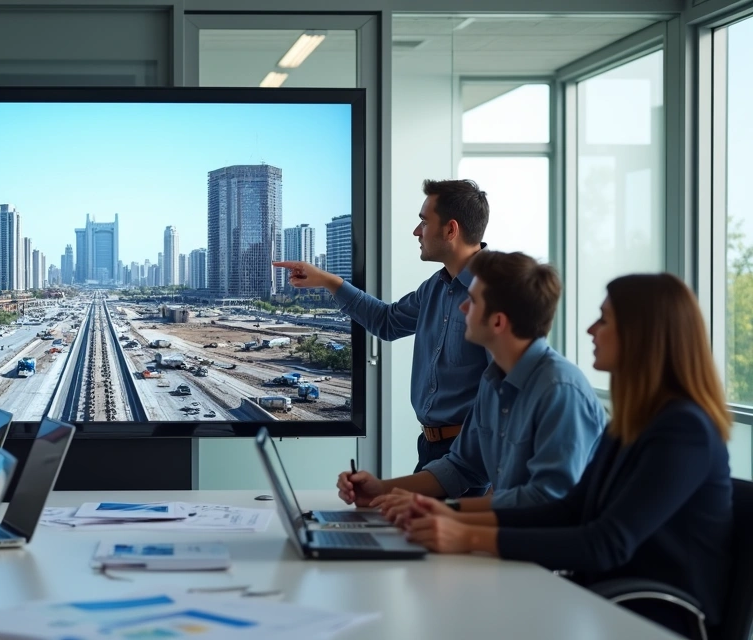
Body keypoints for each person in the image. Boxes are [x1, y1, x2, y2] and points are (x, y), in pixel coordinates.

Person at [394, 273, 733, 637]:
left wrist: (466, 537)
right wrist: (451, 513)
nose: (590, 329)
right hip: (604, 601)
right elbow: (570, 509)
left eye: (604, 319)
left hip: (651, 617)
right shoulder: (637, 422)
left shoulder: (684, 431)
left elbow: (605, 544)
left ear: (643, 336)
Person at [341, 251, 607, 513]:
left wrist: (448, 515)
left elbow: (547, 503)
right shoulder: (493, 384)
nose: (462, 307)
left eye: (473, 301)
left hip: (545, 553)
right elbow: (460, 468)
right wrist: (380, 489)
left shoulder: (560, 391)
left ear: (498, 321)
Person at [274, 179, 491, 480]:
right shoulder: (435, 289)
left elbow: (508, 398)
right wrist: (328, 280)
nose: (417, 232)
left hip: (472, 461)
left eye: (424, 222)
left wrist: (500, 488)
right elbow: (387, 322)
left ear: (451, 230)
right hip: (431, 449)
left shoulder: (496, 292)